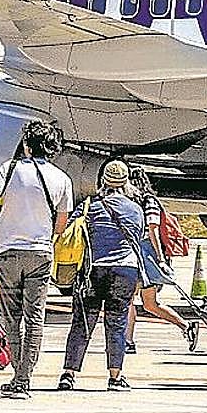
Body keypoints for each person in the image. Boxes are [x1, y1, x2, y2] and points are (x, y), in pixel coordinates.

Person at [0, 120, 73, 399]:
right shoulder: (62, 179)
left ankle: (17, 373)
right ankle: (23, 378)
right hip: (40, 252)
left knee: (12, 316)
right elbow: (60, 225)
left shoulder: (10, 169)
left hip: (6, 250)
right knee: (35, 317)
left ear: (27, 146)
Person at [58, 160, 144, 393]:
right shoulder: (135, 209)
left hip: (92, 270)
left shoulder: (89, 207)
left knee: (82, 322)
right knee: (117, 323)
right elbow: (138, 238)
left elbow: (70, 230)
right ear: (126, 183)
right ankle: (115, 376)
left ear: (103, 181)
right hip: (124, 270)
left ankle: (69, 373)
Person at [124, 166, 198, 353]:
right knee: (149, 304)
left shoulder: (146, 201)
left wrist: (160, 259)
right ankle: (186, 326)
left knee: (129, 299)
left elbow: (153, 230)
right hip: (144, 255)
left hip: (144, 256)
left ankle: (128, 341)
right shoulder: (147, 201)